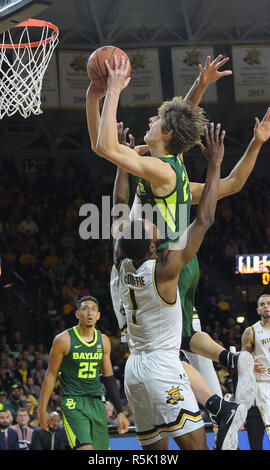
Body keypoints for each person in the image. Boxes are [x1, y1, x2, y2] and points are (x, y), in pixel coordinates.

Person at [86, 54, 270, 406]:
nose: (149, 119)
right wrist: (202, 87)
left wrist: (109, 91)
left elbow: (104, 146)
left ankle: (213, 403)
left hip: (164, 264)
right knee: (186, 336)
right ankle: (230, 366)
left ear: (165, 133)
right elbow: (231, 180)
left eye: (155, 119)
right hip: (184, 261)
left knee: (158, 348)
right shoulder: (173, 165)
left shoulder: (159, 170)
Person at [110, 121, 247, 450]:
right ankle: (220, 404)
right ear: (153, 246)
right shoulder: (166, 271)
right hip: (163, 369)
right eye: (150, 228)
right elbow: (205, 219)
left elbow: (118, 203)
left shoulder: (120, 265)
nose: (150, 223)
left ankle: (220, 405)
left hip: (133, 370)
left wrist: (123, 161)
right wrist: (214, 164)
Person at [38, 296, 129, 450]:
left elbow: (108, 377)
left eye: (93, 309)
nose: (89, 313)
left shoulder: (104, 340)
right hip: (73, 402)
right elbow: (51, 374)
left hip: (97, 402)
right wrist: (42, 409)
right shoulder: (63, 340)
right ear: (77, 314)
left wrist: (120, 411)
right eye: (85, 309)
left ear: (98, 315)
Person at [241, 294, 270, 450]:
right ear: (258, 310)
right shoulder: (250, 332)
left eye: (269, 303)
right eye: (262, 304)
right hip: (266, 388)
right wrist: (250, 365)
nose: (266, 306)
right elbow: (242, 361)